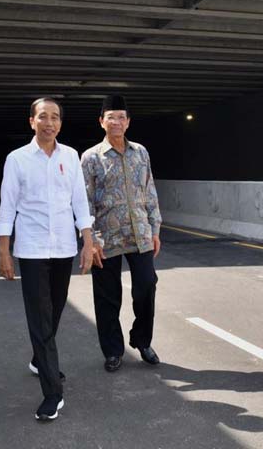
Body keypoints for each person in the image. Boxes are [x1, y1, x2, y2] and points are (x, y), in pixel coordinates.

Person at [0, 98, 96, 422]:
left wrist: (87, 243)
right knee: (39, 318)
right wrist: (3, 250)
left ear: (60, 124)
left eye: (54, 118)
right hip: (33, 249)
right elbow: (7, 205)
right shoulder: (18, 159)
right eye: (43, 117)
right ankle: (53, 393)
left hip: (64, 247)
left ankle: (39, 361)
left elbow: (80, 202)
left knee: (53, 311)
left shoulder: (70, 156)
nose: (49, 123)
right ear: (31, 121)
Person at [81, 95, 162, 373]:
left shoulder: (141, 152)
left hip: (140, 233)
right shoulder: (91, 157)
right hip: (106, 237)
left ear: (128, 122)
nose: (117, 122)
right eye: (111, 117)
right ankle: (113, 351)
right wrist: (89, 241)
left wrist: (155, 227)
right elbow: (85, 201)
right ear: (102, 121)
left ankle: (142, 340)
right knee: (107, 296)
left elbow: (149, 191)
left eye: (121, 117)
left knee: (146, 284)